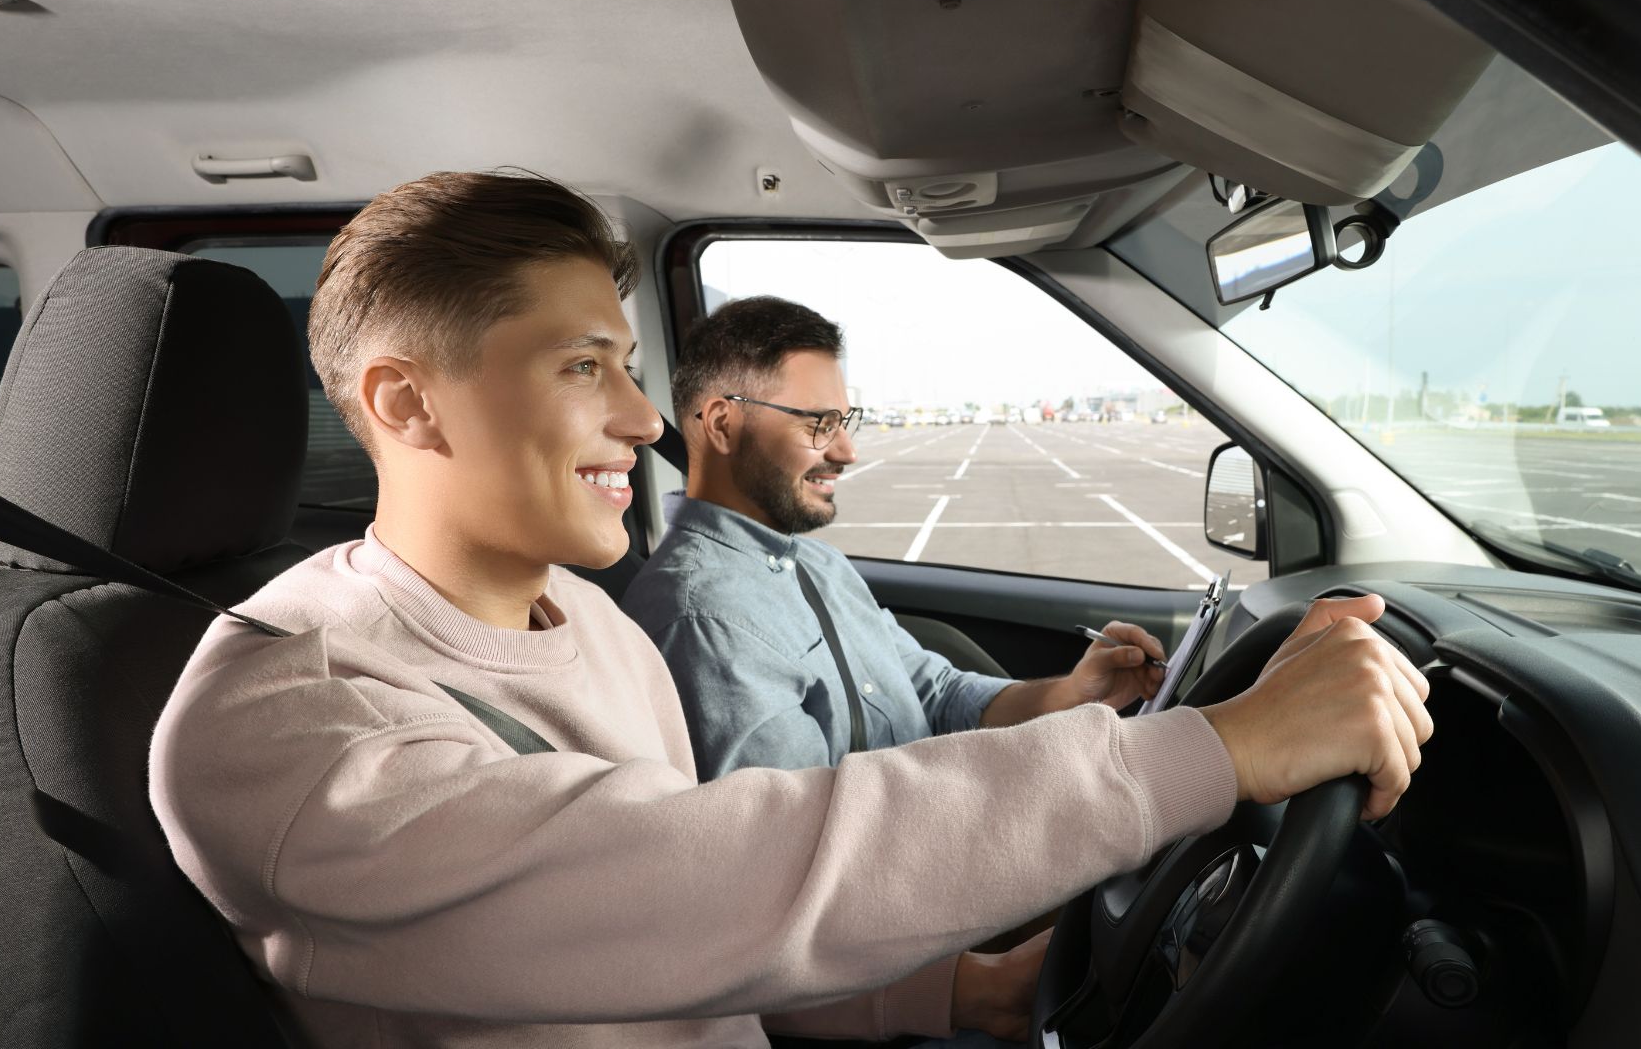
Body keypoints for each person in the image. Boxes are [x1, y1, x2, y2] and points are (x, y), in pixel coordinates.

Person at [149, 169, 1434, 1048]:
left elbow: (702, 951)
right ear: (405, 403)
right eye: (581, 367)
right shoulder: (285, 719)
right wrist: (1216, 752)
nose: (644, 420)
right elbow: (715, 878)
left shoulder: (586, 625)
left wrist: (954, 996)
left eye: (633, 368)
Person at [622, 297, 1171, 780]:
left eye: (844, 421)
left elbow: (938, 694)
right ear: (722, 424)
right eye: (819, 424)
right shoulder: (705, 618)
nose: (846, 452)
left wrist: (1073, 693)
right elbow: (806, 844)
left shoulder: (818, 563)